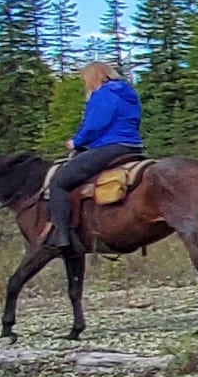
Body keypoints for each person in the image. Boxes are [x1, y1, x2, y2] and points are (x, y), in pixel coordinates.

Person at [41, 58, 143, 257]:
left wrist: (76, 142)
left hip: (109, 147)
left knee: (60, 182)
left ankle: (62, 235)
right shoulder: (128, 93)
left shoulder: (103, 94)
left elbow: (95, 125)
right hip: (132, 147)